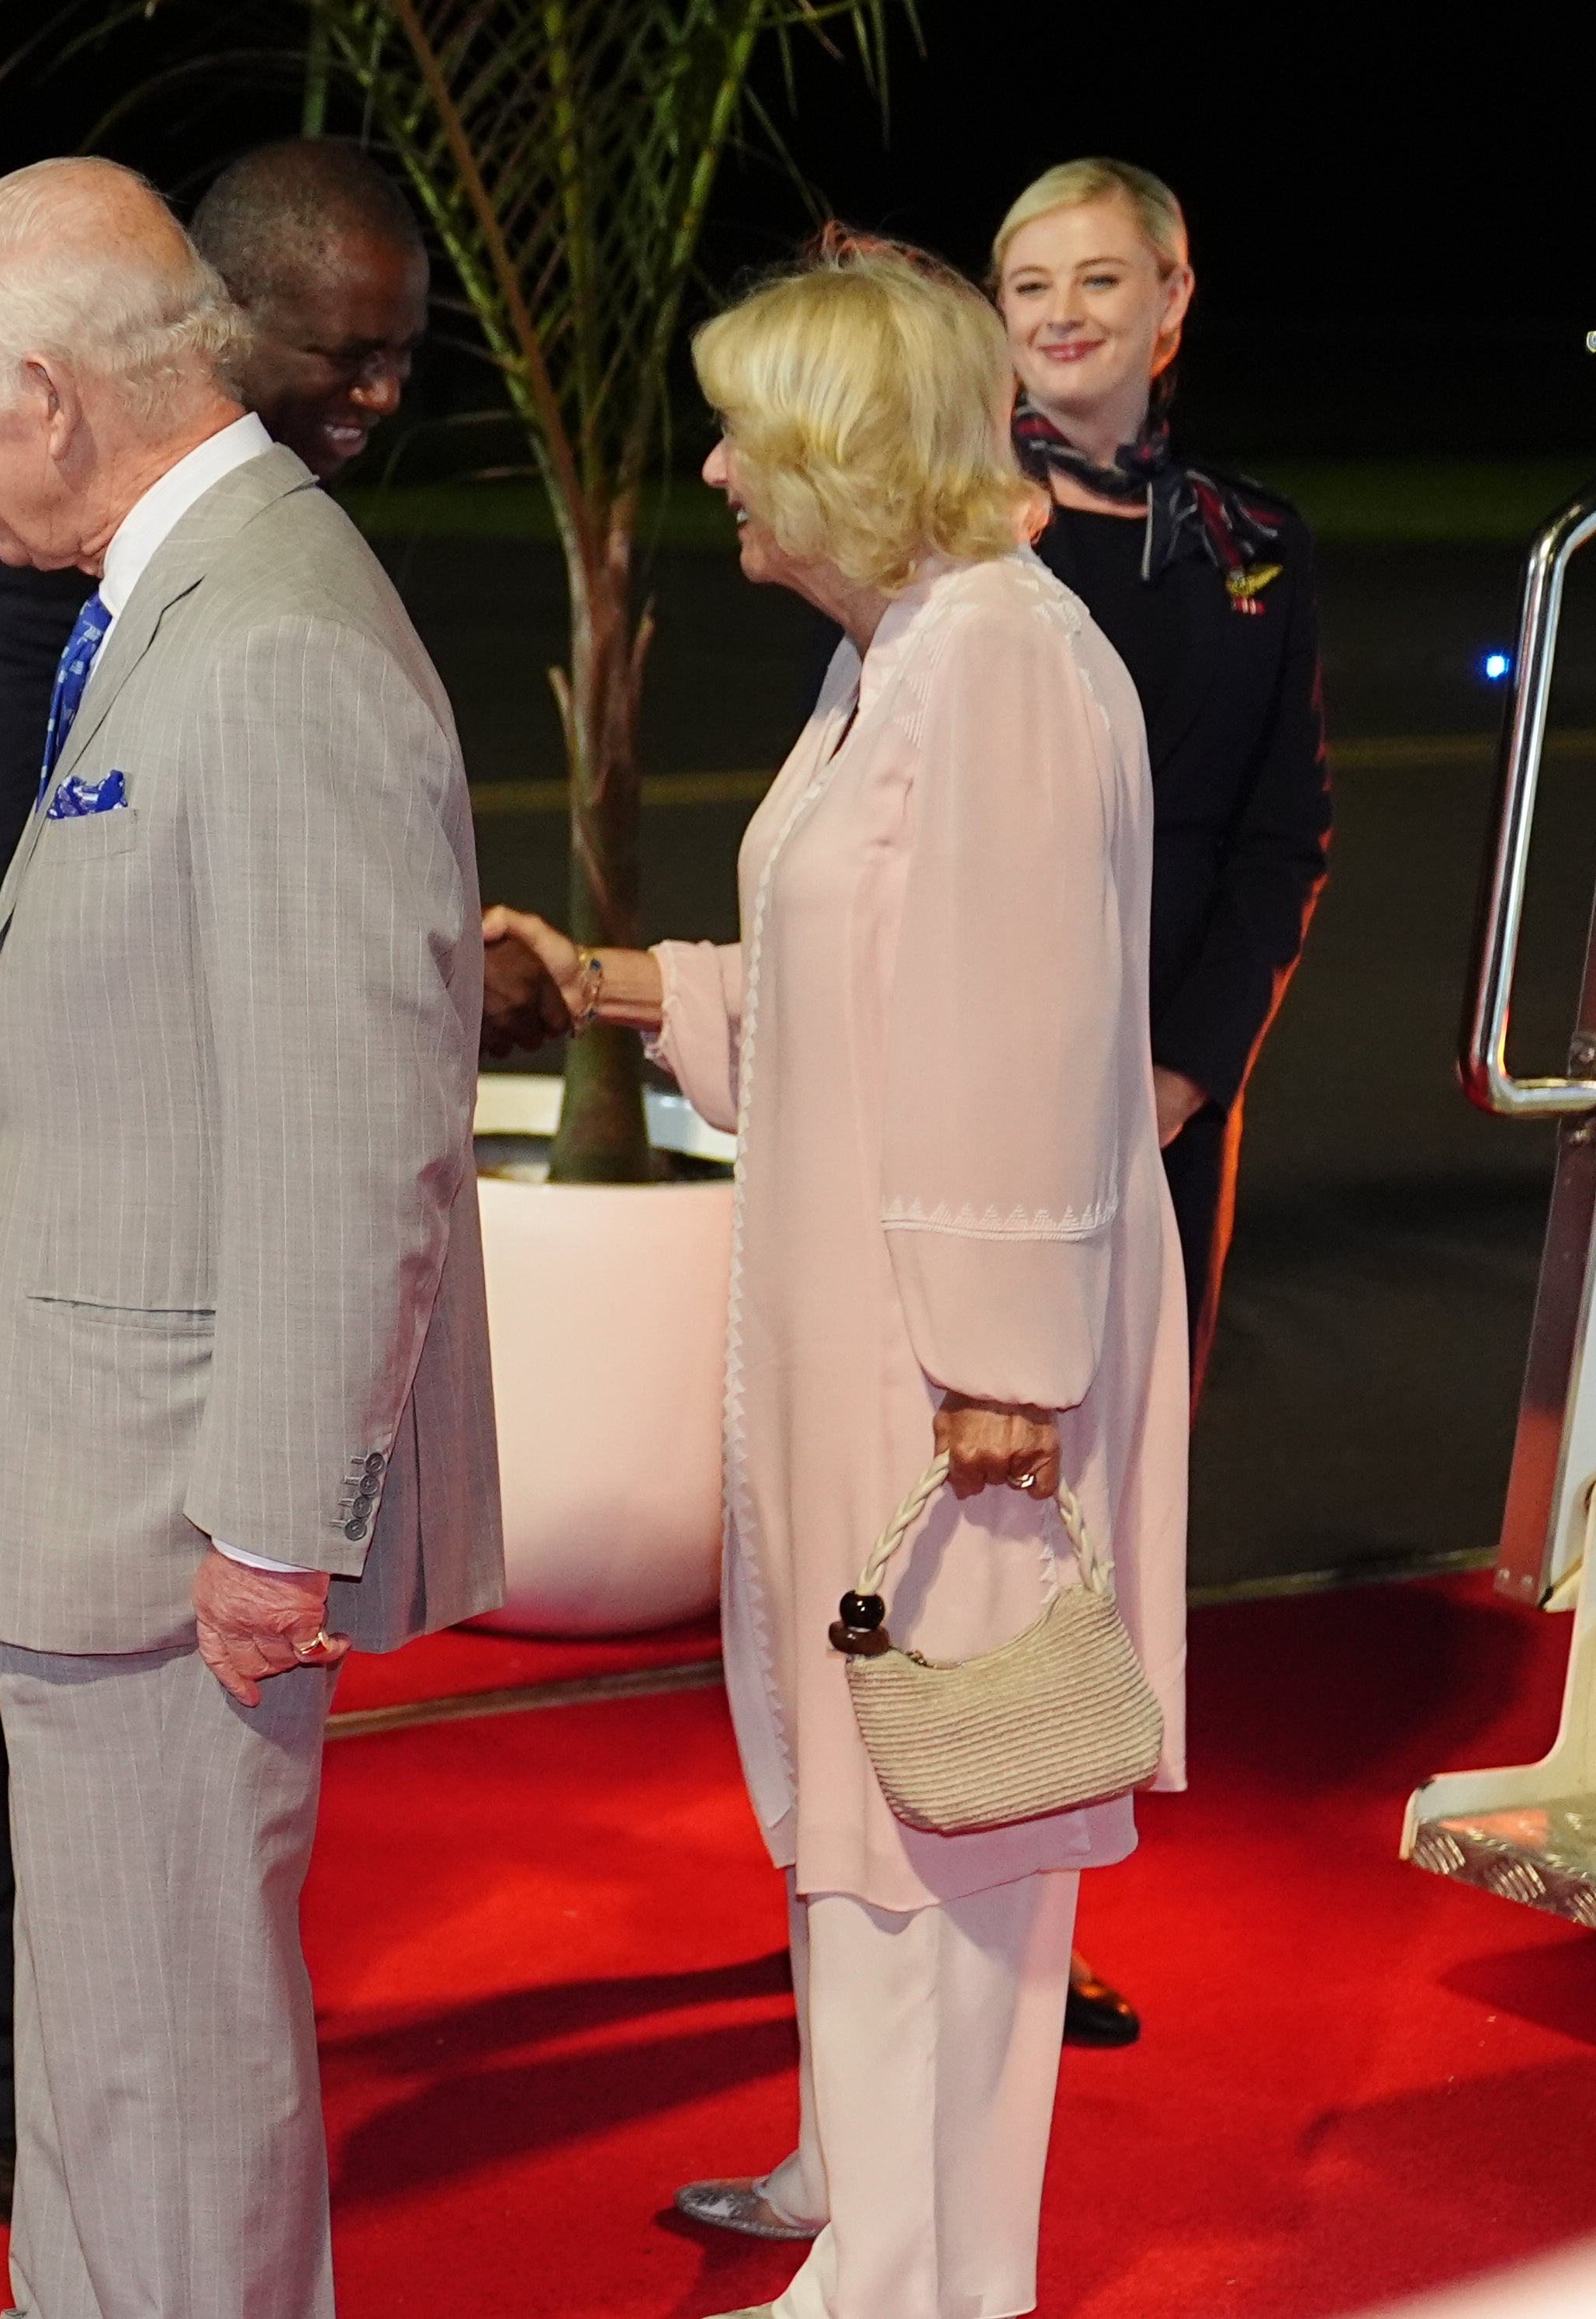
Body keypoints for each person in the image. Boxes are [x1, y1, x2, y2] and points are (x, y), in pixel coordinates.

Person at [0, 156, 502, 2319]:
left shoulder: (266, 641)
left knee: (163, 2072)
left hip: (176, 1519)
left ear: (51, 395)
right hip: (100, 1491)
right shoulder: (172, 599)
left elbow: (357, 1130)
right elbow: (126, 1059)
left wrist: (276, 1519)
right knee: (102, 2056)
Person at [488, 235, 1186, 2319]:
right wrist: (608, 984)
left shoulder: (997, 667)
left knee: (949, 1810)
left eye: (743, 434)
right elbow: (854, 989)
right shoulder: (906, 652)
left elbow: (1024, 1038)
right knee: (889, 1812)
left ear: (850, 455)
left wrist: (998, 1372)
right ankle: (881, 2229)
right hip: (890, 1339)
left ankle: (921, 2280)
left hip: (958, 1366)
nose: (709, 470)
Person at [999, 159, 1330, 1392]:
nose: (1060, 312)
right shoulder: (947, 526)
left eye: (1097, 276)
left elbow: (1285, 833)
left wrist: (1189, 1069)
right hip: (982, 1061)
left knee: (1137, 1438)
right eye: (1029, 285)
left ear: (1172, 294)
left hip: (1169, 1088)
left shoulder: (1258, 544)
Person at [191, 137, 429, 477]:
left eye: (404, 351)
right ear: (224, 318)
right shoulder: (126, 514)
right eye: (348, 355)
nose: (386, 398)